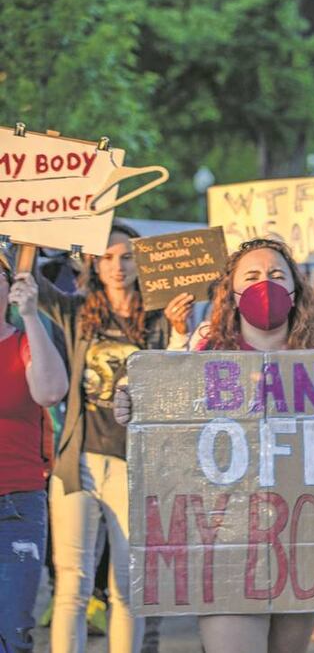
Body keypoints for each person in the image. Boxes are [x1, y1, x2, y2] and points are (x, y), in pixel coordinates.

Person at [117, 239, 314, 653]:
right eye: (252, 277)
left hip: (303, 534)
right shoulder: (210, 352)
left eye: (277, 276)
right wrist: (135, 401)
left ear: (296, 287)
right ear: (231, 291)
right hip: (226, 537)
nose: (266, 285)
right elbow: (172, 424)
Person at [36, 222, 191, 653]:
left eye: (126, 257)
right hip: (79, 462)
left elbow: (178, 378)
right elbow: (26, 282)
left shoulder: (161, 319)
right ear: (93, 263)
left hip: (135, 466)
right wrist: (30, 228)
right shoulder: (76, 311)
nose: (118, 267)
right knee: (72, 584)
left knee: (129, 585)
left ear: (142, 263)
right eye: (106, 257)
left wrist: (181, 330)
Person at [0, 253, 68, 652]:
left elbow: (50, 391)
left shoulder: (26, 341)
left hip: (17, 505)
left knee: (11, 632)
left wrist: (30, 315)